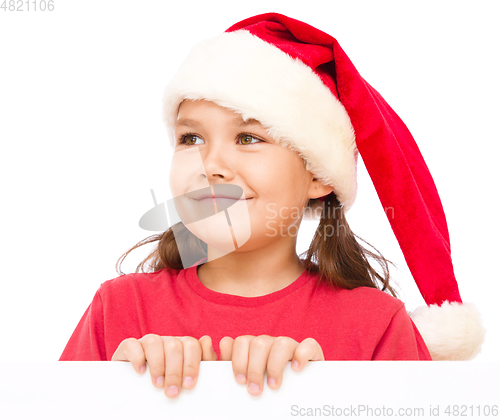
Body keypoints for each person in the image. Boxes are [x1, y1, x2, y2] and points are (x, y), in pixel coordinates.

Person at [59, 12, 485, 399]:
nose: (211, 166)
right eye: (191, 138)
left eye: (248, 138)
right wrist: (119, 394)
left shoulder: (377, 327)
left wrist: (320, 396)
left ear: (318, 175)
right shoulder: (118, 313)